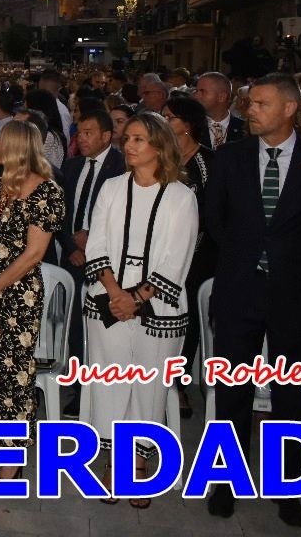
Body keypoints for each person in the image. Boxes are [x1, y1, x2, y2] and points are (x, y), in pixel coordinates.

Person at [203, 73, 301, 525]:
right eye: (250, 104)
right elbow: (215, 221)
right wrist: (247, 259)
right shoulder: (228, 159)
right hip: (238, 291)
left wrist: (287, 262)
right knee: (232, 394)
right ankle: (226, 480)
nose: (251, 111)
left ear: (289, 109)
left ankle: (288, 488)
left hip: (293, 295)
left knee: (290, 397)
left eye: (262, 104)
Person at [82, 112, 198, 507]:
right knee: (110, 381)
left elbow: (176, 260)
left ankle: (140, 463)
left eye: (138, 140)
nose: (129, 146)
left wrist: (136, 298)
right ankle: (114, 461)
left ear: (159, 146)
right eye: (126, 138)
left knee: (149, 385)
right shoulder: (112, 188)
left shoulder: (183, 196)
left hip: (160, 305)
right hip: (107, 297)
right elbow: (95, 245)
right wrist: (116, 292)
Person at [0, 120, 64, 475]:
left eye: (1, 145)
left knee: (12, 373)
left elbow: (33, 254)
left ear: (19, 148)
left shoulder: (47, 192)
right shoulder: (2, 185)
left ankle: (12, 456)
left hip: (18, 296)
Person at [56, 109, 126, 416]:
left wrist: (93, 242)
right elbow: (58, 212)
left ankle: (103, 385)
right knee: (74, 325)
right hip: (73, 256)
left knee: (102, 323)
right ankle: (78, 385)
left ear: (106, 136)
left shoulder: (122, 167)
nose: (80, 139)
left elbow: (122, 217)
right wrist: (72, 245)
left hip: (108, 259)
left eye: (88, 133)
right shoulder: (71, 166)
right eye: (79, 133)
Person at [161, 95, 216, 418]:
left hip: (198, 256)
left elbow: (211, 214)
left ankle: (178, 384)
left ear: (188, 124)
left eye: (170, 116)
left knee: (188, 320)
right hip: (159, 252)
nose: (165, 121)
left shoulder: (208, 162)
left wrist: (188, 248)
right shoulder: (162, 158)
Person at [194, 71, 246, 149]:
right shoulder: (190, 127)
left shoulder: (245, 129)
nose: (196, 96)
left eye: (202, 91)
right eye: (196, 91)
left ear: (222, 97)